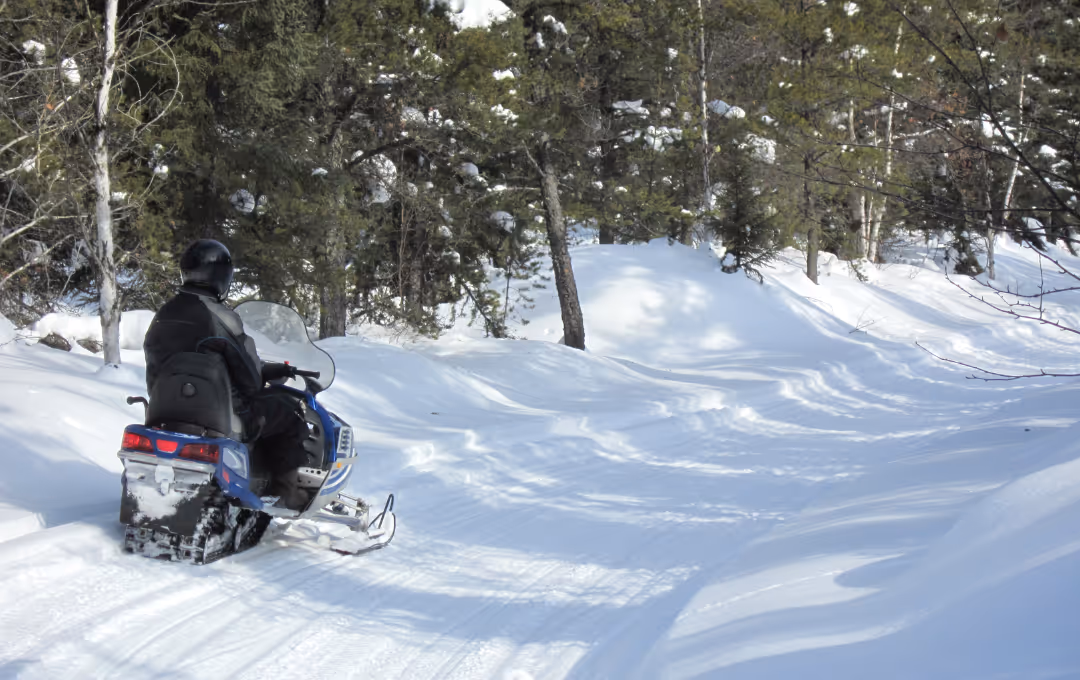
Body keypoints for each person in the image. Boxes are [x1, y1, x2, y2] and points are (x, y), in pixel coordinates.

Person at [143, 239, 309, 510]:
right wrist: (265, 374)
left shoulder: (164, 314)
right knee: (290, 411)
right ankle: (288, 492)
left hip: (163, 413)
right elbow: (251, 381)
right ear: (222, 276)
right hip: (219, 417)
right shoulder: (219, 317)